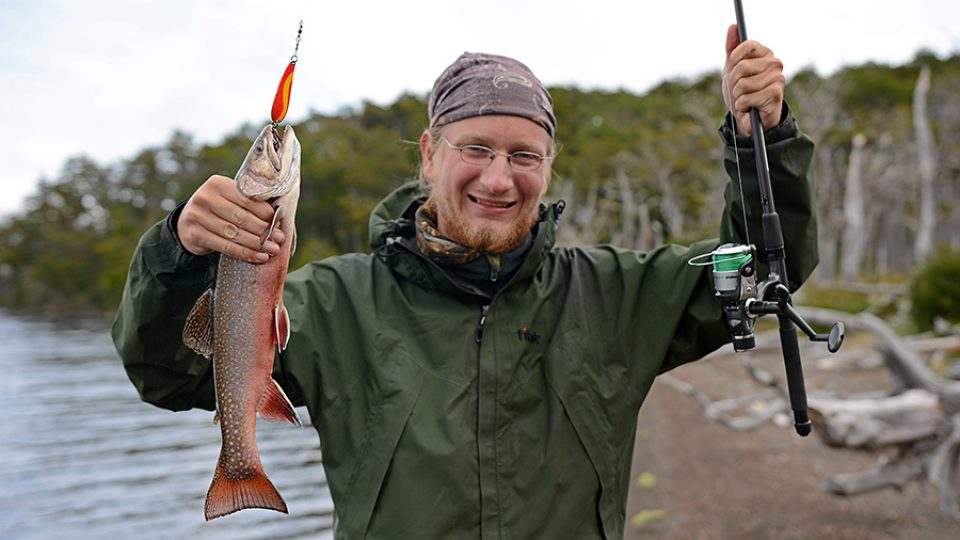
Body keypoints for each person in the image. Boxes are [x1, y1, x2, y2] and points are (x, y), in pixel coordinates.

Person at [113, 24, 818, 539]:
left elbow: (763, 263)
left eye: (524, 155)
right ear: (428, 153)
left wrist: (765, 138)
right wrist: (175, 253)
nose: (498, 177)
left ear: (549, 166)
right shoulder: (332, 304)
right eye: (474, 148)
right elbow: (167, 375)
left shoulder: (619, 295)